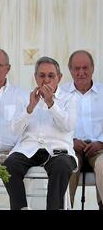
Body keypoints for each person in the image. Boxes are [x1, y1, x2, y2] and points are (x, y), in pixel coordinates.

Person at [3, 56, 77, 210]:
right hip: (29, 149)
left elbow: (68, 126)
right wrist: (30, 107)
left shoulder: (70, 99)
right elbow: (13, 131)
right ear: (35, 77)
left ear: (59, 78)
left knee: (62, 166)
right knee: (9, 164)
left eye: (51, 76)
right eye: (42, 75)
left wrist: (51, 103)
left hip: (58, 151)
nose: (46, 80)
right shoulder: (25, 98)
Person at [61, 50, 103, 210]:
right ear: (70, 70)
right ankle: (65, 206)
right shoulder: (61, 94)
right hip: (70, 148)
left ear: (93, 68)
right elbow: (53, 124)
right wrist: (70, 142)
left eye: (85, 67)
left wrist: (101, 143)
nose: (81, 72)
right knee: (67, 164)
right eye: (76, 68)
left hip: (99, 149)